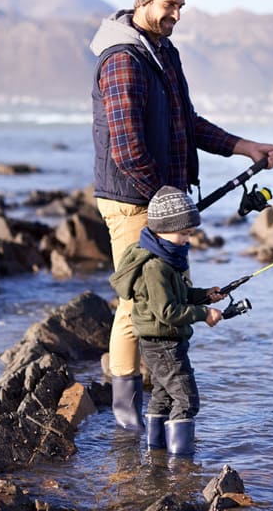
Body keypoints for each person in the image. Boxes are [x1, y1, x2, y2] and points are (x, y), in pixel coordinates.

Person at [90, 0, 273, 431]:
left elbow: (187, 123)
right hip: (134, 201)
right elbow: (127, 149)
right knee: (137, 305)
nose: (177, 14)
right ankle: (125, 415)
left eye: (181, 5)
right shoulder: (122, 60)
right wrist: (168, 208)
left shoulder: (162, 51)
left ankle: (157, 404)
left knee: (166, 298)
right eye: (170, 4)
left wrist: (245, 148)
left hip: (161, 202)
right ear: (145, 0)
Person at [109, 186, 224, 454]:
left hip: (160, 342)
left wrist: (205, 296)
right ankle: (181, 462)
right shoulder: (155, 267)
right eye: (183, 233)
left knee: (162, 396)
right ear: (163, 228)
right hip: (164, 344)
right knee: (186, 400)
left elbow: (179, 295)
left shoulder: (165, 257)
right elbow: (168, 312)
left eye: (189, 234)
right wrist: (204, 315)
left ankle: (157, 453)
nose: (187, 240)